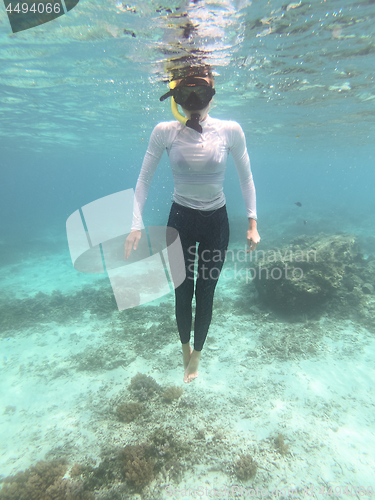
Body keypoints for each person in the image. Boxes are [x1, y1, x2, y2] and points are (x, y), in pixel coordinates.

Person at [125, 67, 260, 383]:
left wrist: (253, 222)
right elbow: (144, 179)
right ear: (176, 98)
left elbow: (246, 177)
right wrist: (135, 224)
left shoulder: (230, 131)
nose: (195, 104)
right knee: (182, 291)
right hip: (180, 220)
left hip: (216, 222)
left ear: (213, 93)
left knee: (206, 291)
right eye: (187, 96)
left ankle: (197, 354)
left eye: (203, 94)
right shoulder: (165, 131)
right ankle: (185, 347)